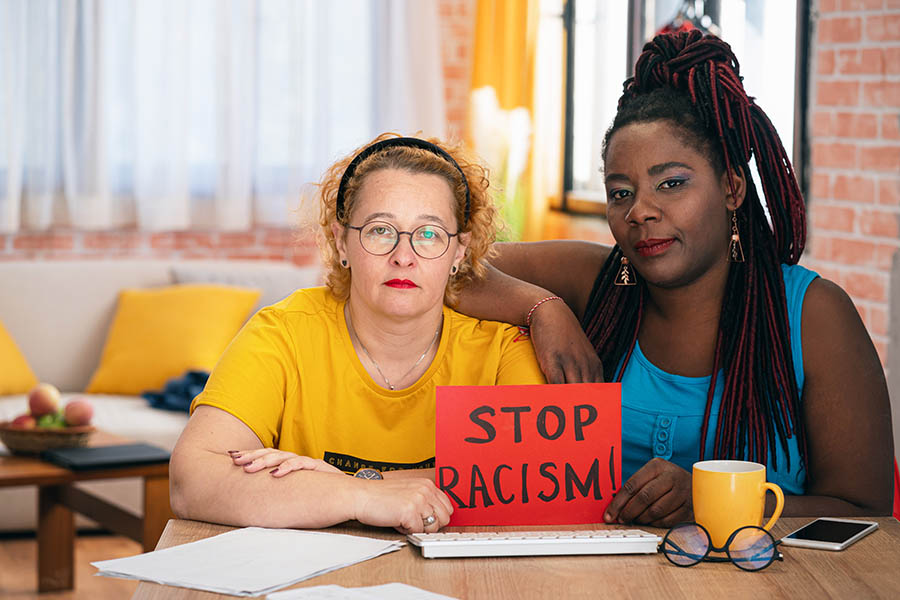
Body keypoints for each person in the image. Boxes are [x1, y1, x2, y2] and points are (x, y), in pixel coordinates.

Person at [455, 31, 894, 527]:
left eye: (672, 183)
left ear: (732, 188)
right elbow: (445, 266)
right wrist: (543, 308)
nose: (640, 211)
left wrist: (714, 504)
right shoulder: (594, 279)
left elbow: (867, 515)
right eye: (620, 193)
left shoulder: (814, 315)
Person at [169, 134, 546, 533]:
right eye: (381, 231)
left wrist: (336, 482)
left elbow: (532, 482)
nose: (404, 256)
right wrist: (359, 497)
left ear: (459, 252)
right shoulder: (282, 333)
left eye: (429, 234)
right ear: (341, 240)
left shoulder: (505, 349)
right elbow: (190, 479)